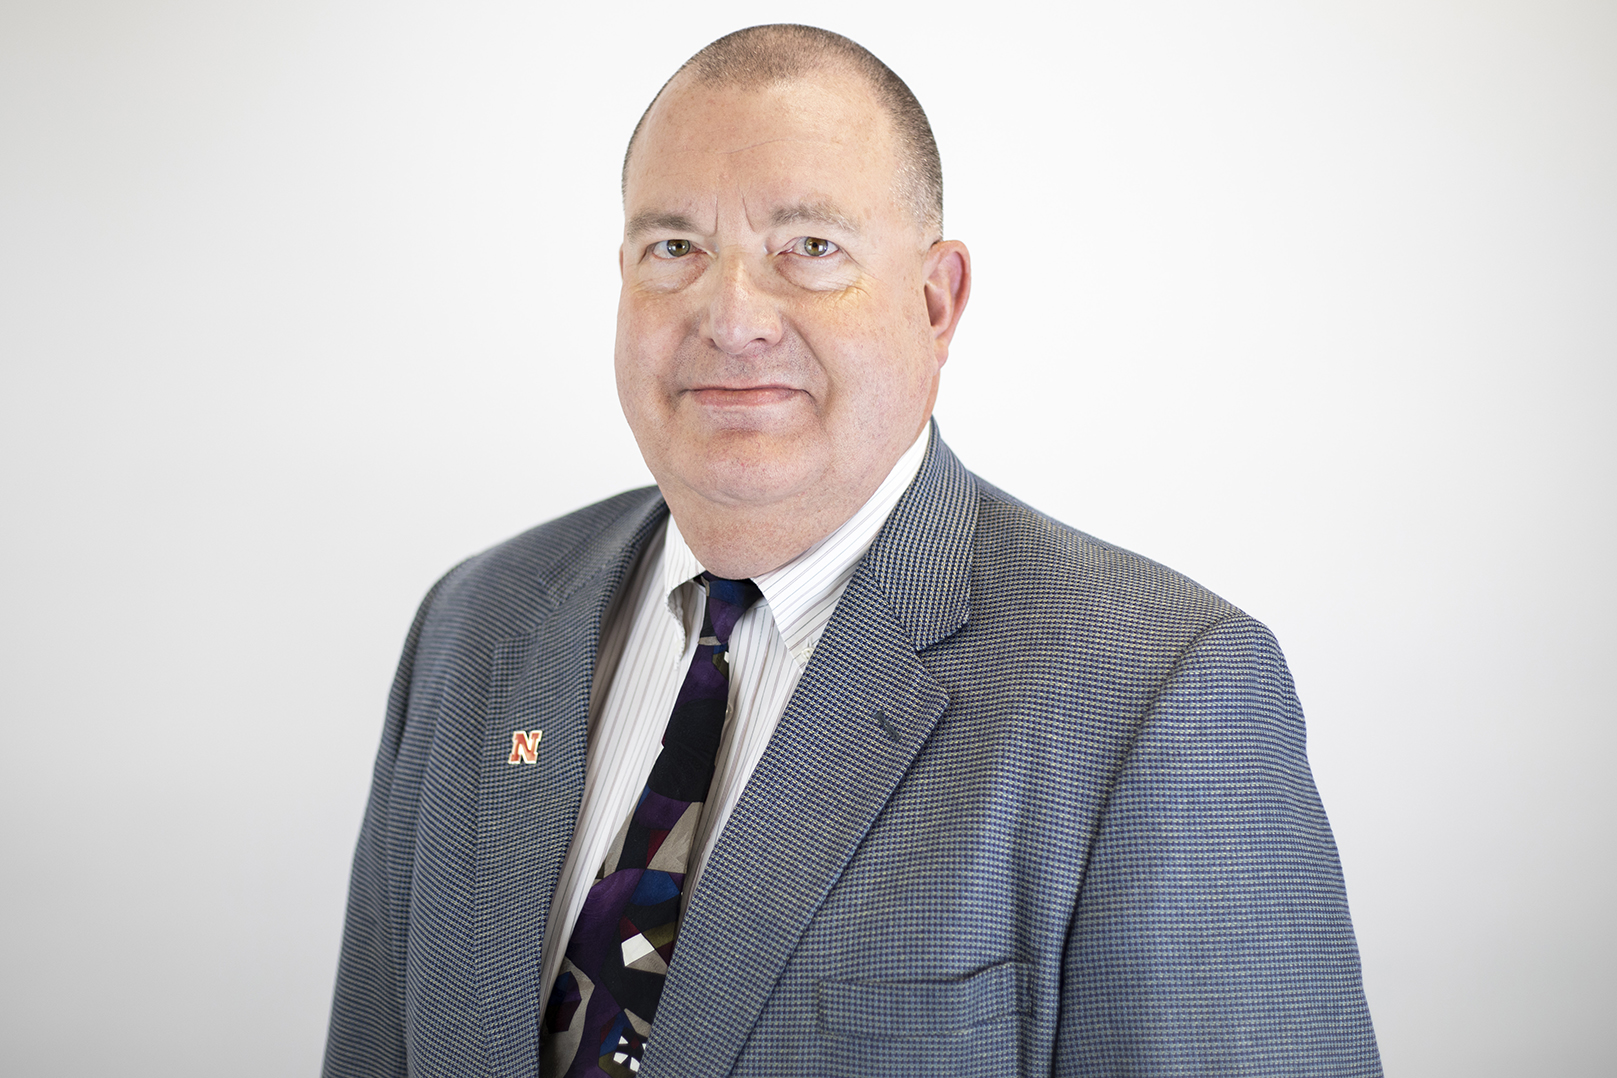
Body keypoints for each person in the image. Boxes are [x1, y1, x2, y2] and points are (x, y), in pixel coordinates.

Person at [323, 23, 1381, 1078]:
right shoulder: (478, 623)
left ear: (936, 300)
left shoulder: (1159, 695)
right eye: (675, 248)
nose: (733, 318)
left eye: (811, 247)